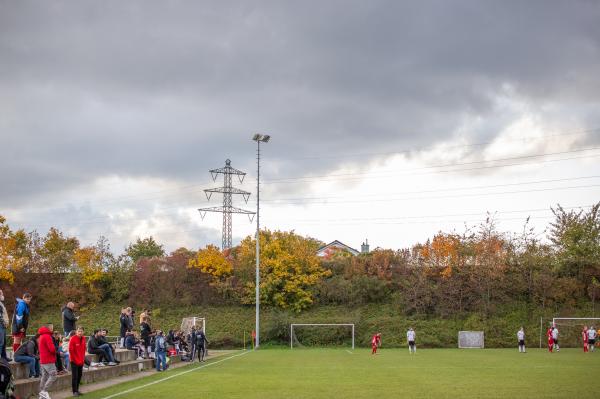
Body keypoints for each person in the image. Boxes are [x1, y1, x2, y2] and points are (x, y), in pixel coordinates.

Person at [38, 323, 57, 399]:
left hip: (43, 360)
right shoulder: (47, 336)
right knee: (53, 375)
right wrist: (56, 350)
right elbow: (52, 349)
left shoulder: (41, 336)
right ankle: (44, 391)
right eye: (52, 328)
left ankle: (42, 394)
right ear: (49, 328)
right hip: (48, 360)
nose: (52, 329)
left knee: (44, 376)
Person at [68, 327, 86, 397]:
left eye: (81, 331)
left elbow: (84, 349)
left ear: (83, 332)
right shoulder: (73, 339)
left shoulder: (84, 338)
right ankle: (74, 391)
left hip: (81, 361)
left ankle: (77, 390)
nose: (80, 333)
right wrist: (76, 360)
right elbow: (71, 351)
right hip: (74, 361)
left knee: (79, 375)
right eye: (79, 331)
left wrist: (82, 359)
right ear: (76, 332)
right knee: (74, 377)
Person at [0, 290, 11, 361]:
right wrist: (4, 323)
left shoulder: (1, 303)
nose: (3, 295)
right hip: (1, 324)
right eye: (1, 294)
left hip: (2, 325)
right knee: (1, 342)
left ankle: (4, 357)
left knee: (3, 342)